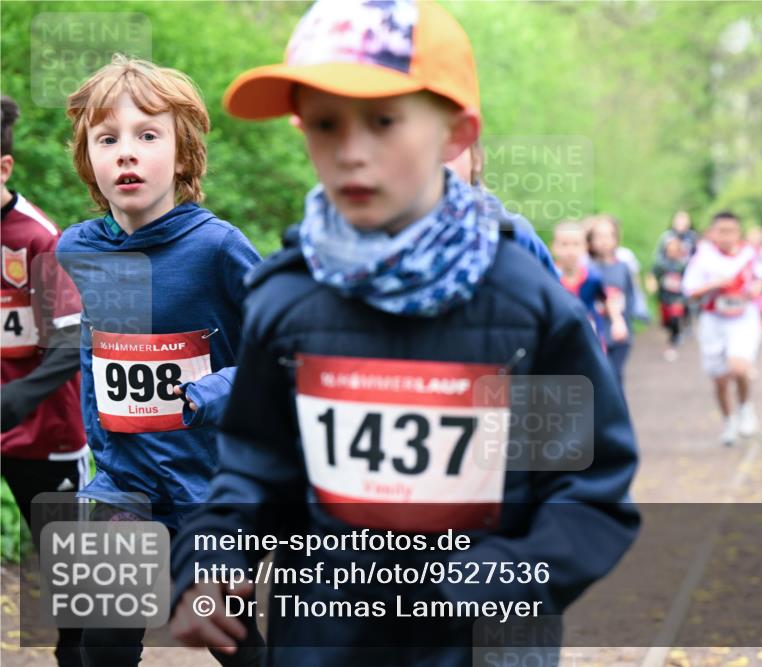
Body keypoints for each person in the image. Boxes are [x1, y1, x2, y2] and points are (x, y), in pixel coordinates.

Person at [168, 3, 640, 666]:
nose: (350, 150)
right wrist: (210, 561)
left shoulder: (522, 305)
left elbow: (585, 495)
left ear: (456, 133)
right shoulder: (286, 297)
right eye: (324, 123)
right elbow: (253, 471)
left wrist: (479, 583)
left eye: (383, 121)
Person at [56, 55, 263, 666]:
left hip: (206, 486)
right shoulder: (77, 249)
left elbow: (277, 353)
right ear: (89, 157)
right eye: (108, 138)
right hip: (124, 483)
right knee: (104, 643)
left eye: (148, 136)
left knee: (230, 638)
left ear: (182, 155)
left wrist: (207, 394)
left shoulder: (217, 248)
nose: (127, 152)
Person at [1, 94, 87, 667]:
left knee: (73, 578)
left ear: (4, 167)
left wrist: (11, 403)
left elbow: (72, 343)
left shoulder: (38, 238)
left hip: (43, 435)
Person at [682, 211, 762, 446]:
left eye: (731, 231)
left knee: (739, 367)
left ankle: (746, 407)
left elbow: (759, 280)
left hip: (742, 318)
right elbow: (690, 290)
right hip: (713, 319)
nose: (726, 236)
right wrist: (713, 285)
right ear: (712, 233)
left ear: (738, 233)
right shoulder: (703, 258)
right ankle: (729, 423)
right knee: (719, 379)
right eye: (721, 231)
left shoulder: (748, 255)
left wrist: (755, 289)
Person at [445, 141, 558, 276]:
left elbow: (549, 291)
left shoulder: (514, 231)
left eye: (451, 148)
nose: (440, 161)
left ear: (476, 160)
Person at [587, 214, 639, 388]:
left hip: (619, 334)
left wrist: (626, 324)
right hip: (594, 332)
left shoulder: (622, 267)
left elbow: (630, 297)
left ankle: (618, 414)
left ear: (616, 239)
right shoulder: (586, 268)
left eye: (608, 236)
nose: (603, 241)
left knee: (615, 376)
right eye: (598, 236)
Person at [552, 220, 608, 346]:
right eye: (564, 244)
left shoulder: (594, 278)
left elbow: (605, 301)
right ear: (554, 246)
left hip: (590, 343)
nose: (570, 251)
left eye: (576, 244)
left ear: (585, 247)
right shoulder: (548, 280)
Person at [652, 233, 687, 361]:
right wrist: (653, 285)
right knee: (666, 323)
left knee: (675, 319)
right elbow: (652, 276)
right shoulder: (661, 264)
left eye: (675, 248)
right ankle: (672, 337)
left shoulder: (683, 265)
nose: (673, 251)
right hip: (664, 297)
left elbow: (689, 279)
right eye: (670, 248)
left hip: (678, 298)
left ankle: (672, 345)